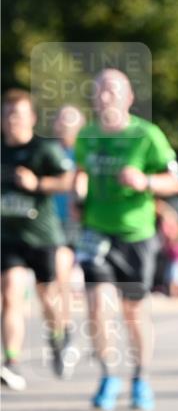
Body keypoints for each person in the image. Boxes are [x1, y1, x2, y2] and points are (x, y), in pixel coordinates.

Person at [74, 69, 178, 411]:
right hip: (96, 233)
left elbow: (176, 181)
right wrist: (78, 198)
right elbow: (80, 174)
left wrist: (145, 182)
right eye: (99, 90)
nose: (105, 96)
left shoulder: (146, 135)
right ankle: (108, 376)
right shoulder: (86, 136)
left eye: (112, 90)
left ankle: (140, 377)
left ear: (128, 98)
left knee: (133, 312)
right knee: (96, 307)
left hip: (136, 235)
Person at [1, 89, 74, 389]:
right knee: (9, 294)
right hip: (9, 236)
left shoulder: (43, 149)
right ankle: (12, 361)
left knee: (48, 299)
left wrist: (37, 182)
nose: (11, 120)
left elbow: (68, 179)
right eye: (6, 114)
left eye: (17, 114)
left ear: (31, 118)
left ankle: (59, 337)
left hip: (42, 236)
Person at [52, 104, 86, 357]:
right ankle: (63, 330)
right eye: (61, 120)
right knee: (59, 277)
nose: (65, 125)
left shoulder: (87, 153)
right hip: (55, 225)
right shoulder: (48, 153)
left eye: (70, 121)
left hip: (87, 224)